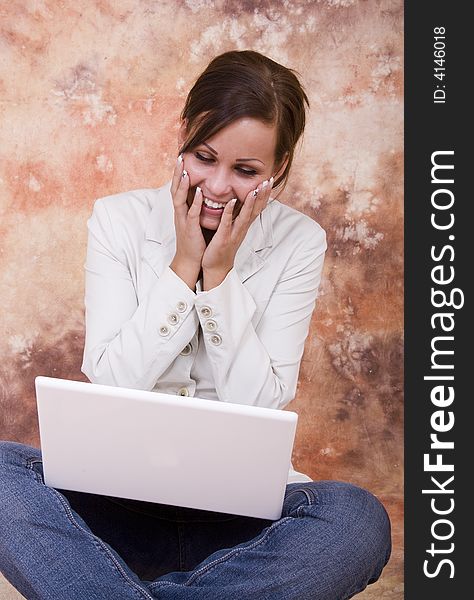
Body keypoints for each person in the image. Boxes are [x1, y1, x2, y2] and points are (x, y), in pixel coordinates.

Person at [0, 50, 391, 599]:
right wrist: (183, 272)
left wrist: (221, 276)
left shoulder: (300, 242)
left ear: (278, 169)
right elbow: (114, 380)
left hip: (241, 527)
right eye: (204, 157)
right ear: (183, 134)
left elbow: (261, 403)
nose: (216, 185)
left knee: (358, 520)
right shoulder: (119, 220)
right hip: (114, 509)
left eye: (246, 171)